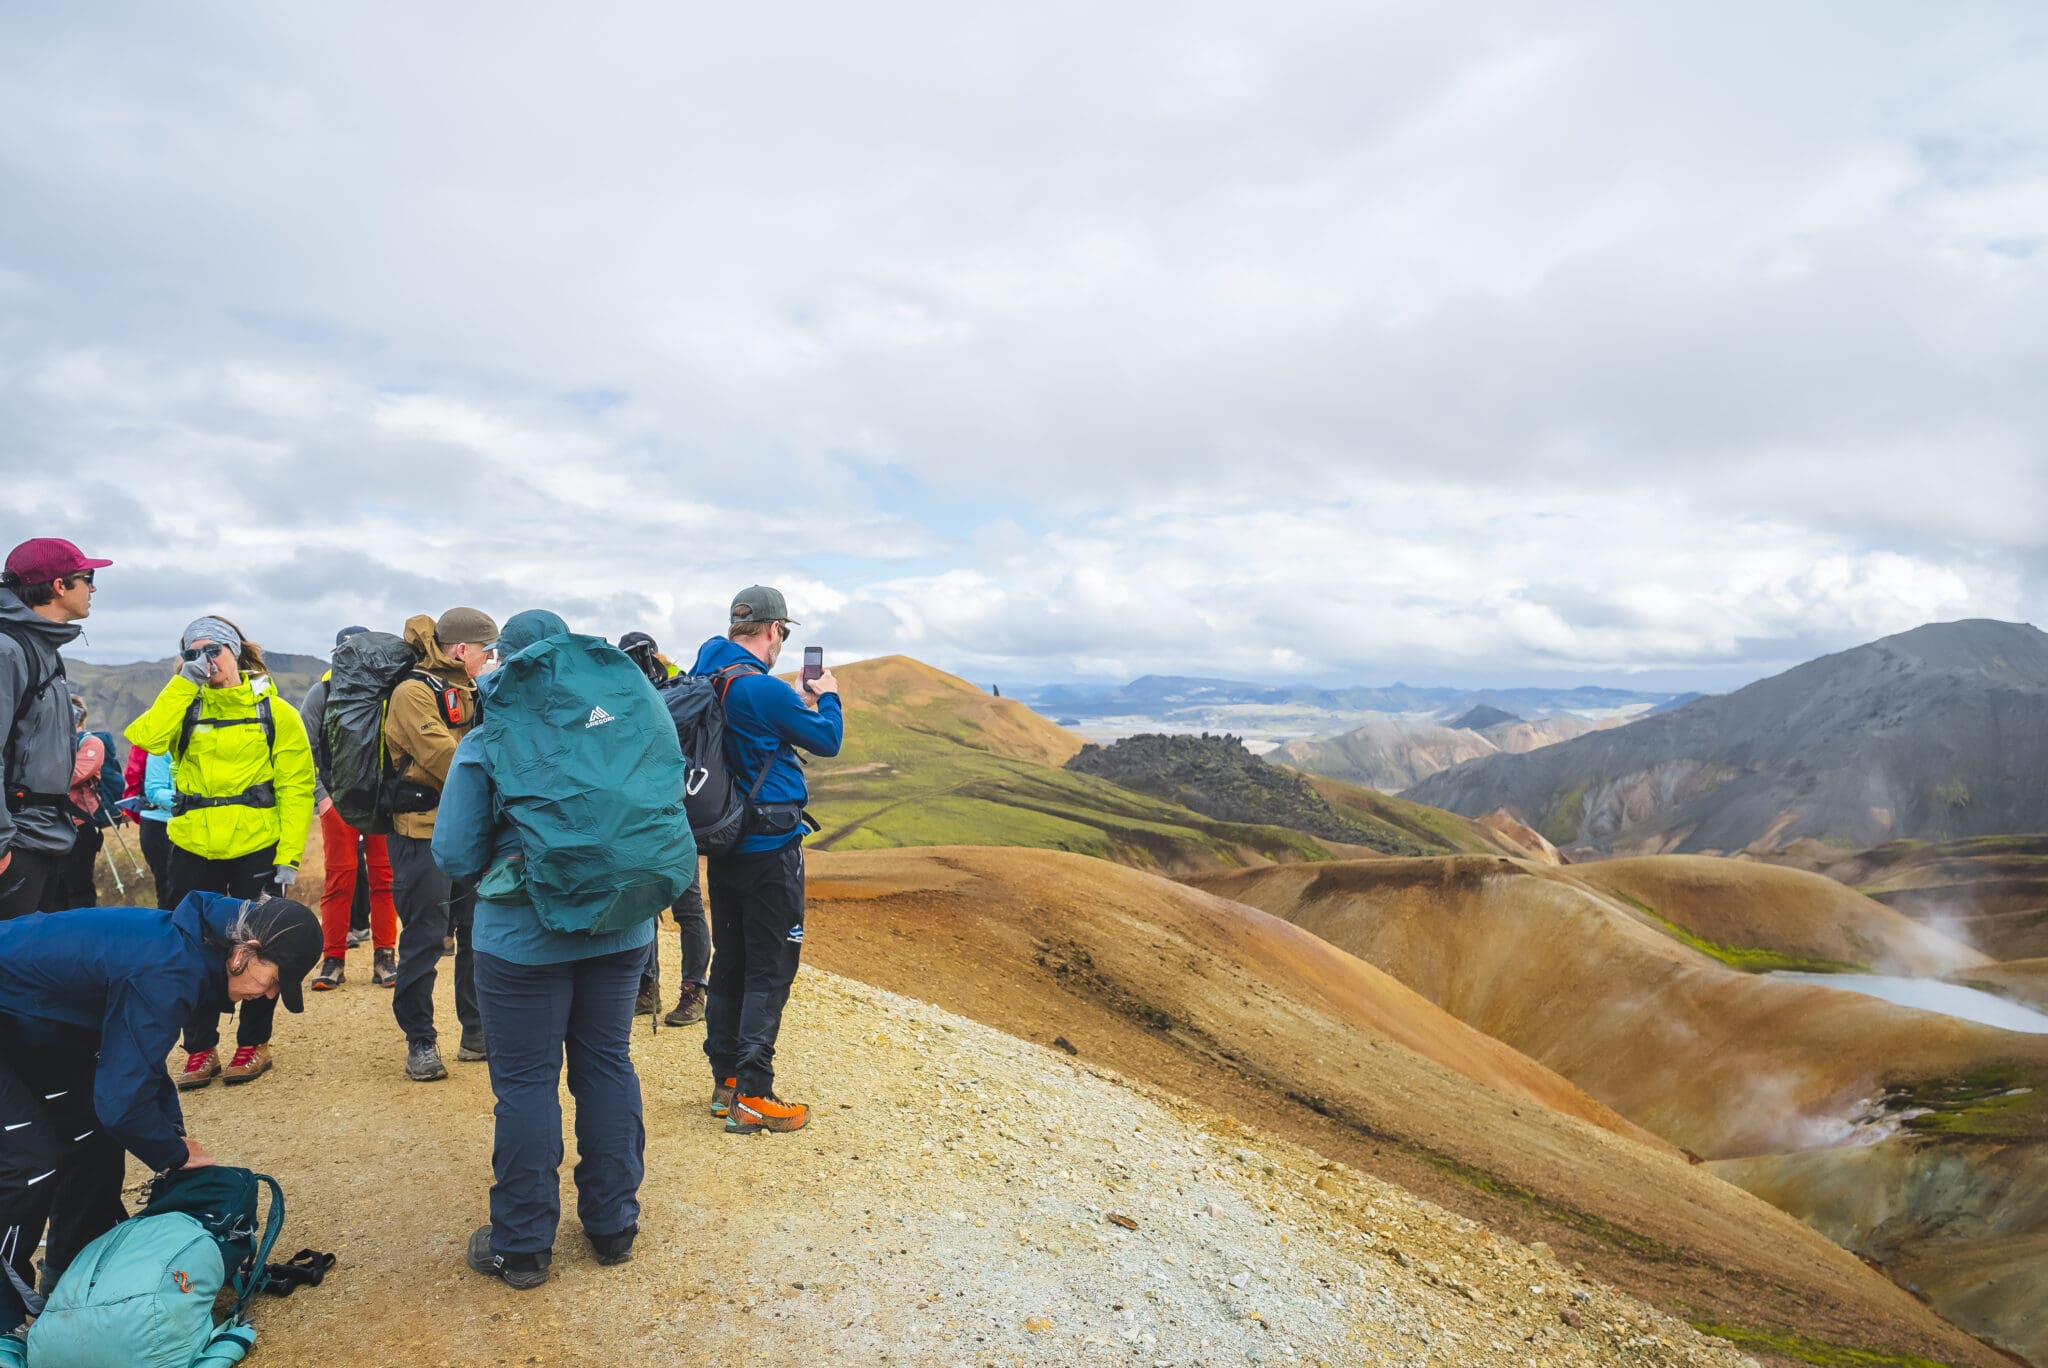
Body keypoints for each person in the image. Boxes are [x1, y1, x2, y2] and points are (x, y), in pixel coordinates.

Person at [434, 610, 670, 1288]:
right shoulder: (621, 722)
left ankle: (523, 1245)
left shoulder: (491, 739)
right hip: (622, 925)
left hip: (523, 939)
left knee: (528, 1084)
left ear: (508, 664)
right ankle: (613, 1225)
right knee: (606, 1066)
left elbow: (453, 854)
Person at [0, 892, 319, 1329]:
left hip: (29, 1023)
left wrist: (173, 1135)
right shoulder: (169, 969)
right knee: (29, 1166)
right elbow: (121, 1103)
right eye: (275, 980)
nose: (269, 995)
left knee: (90, 1137)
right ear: (243, 953)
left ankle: (74, 1280)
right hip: (16, 1022)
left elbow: (138, 1067)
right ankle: (3, 1318)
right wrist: (176, 1155)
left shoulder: (186, 951)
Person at [124, 617, 316, 1089]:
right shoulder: (183, 706)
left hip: (257, 847)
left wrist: (289, 856)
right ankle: (200, 1048)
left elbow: (296, 786)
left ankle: (254, 1043)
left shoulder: (276, 712)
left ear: (236, 651)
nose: (205, 659)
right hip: (192, 846)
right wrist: (182, 684)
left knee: (259, 947)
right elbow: (145, 737)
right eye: (192, 651)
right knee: (189, 948)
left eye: (213, 650)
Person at [690, 586, 842, 1133]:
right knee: (771, 965)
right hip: (771, 845)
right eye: (784, 634)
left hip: (723, 842)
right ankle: (755, 1095)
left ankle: (725, 1081)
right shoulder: (762, 687)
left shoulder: (704, 673)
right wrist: (827, 695)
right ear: (775, 630)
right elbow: (828, 741)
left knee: (729, 960)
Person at [386, 608, 498, 1082]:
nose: (491, 659)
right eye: (484, 651)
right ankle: (421, 1040)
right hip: (420, 833)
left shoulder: (472, 691)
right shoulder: (412, 693)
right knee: (424, 939)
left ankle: (476, 1032)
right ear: (460, 650)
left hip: (468, 830)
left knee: (478, 934)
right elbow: (444, 757)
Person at [0, 538, 109, 921]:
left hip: (43, 840)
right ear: (59, 586)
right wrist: (2, 853)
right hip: (18, 844)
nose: (93, 588)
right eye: (87, 577)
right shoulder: (9, 651)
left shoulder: (41, 649)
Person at [619, 630, 710, 1026]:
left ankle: (694, 991)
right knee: (646, 903)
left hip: (676, 814)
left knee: (686, 905)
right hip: (646, 814)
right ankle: (647, 987)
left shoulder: (680, 688)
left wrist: (667, 670)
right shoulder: (628, 694)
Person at [301, 626, 398, 991]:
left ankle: (385, 956)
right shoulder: (321, 693)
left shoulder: (388, 692)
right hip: (337, 800)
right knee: (339, 878)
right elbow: (305, 748)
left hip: (380, 801)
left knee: (384, 879)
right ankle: (332, 959)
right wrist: (322, 798)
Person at [56, 698, 121, 909]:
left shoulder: (91, 743)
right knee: (56, 886)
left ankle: (82, 931)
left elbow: (77, 775)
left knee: (79, 884)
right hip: (53, 824)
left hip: (81, 825)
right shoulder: (54, 742)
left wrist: (41, 775)